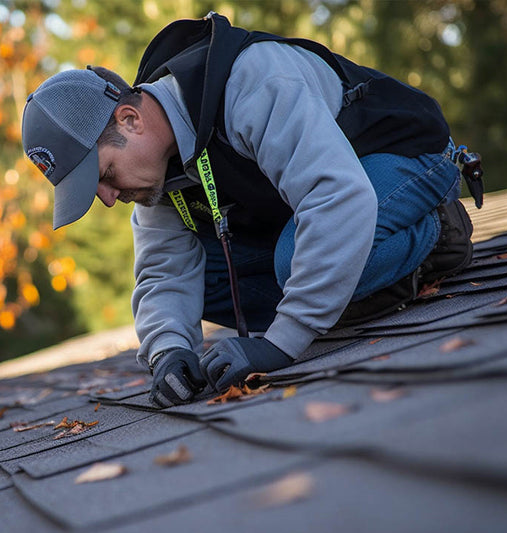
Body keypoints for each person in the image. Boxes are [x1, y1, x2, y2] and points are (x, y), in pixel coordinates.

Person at [22, 12, 477, 407]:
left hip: (407, 159)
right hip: (323, 205)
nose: (106, 197)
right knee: (217, 281)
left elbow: (336, 197)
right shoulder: (157, 170)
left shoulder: (250, 82)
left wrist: (281, 343)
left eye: (104, 174)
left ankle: (438, 232)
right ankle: (351, 289)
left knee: (295, 258)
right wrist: (169, 353)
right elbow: (163, 270)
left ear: (130, 120)